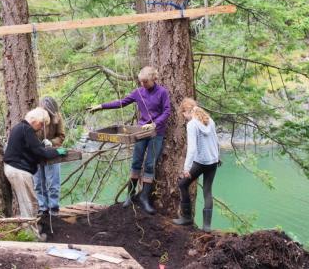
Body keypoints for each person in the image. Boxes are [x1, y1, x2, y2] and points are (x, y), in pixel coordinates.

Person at [88, 66, 171, 214]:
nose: (143, 84)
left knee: (150, 165)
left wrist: (155, 123)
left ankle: (144, 198)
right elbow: (121, 102)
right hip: (139, 132)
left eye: (145, 82)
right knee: (136, 163)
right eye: (141, 82)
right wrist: (101, 106)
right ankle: (130, 195)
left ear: (154, 79)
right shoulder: (138, 92)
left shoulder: (162, 92)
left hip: (156, 133)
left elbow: (166, 111)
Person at [3, 107, 67, 238]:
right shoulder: (26, 130)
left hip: (14, 169)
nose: (42, 128)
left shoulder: (20, 128)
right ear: (35, 120)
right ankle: (32, 237)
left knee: (31, 201)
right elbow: (39, 152)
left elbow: (33, 148)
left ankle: (32, 230)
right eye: (42, 124)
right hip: (19, 171)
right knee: (28, 204)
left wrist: (42, 146)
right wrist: (57, 151)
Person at [172, 98, 220, 232]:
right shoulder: (209, 120)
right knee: (207, 191)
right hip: (213, 161)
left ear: (186, 112)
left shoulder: (192, 124)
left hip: (201, 162)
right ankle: (207, 226)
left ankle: (186, 218)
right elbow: (216, 141)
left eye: (183, 114)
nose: (184, 117)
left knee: (182, 184)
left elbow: (192, 148)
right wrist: (218, 156)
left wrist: (186, 168)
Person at [34, 97, 65, 217]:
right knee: (38, 183)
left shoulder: (57, 118)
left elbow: (61, 136)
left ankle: (54, 208)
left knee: (53, 183)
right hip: (37, 154)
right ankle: (43, 208)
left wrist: (51, 142)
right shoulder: (35, 118)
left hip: (52, 154)